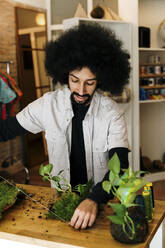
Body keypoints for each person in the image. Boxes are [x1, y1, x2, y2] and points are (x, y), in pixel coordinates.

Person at [0, 23, 130, 229]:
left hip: (101, 201)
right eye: (74, 80)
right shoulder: (47, 105)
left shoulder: (112, 113)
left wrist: (94, 200)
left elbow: (120, 166)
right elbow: (6, 129)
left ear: (101, 81)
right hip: (61, 200)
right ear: (65, 74)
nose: (81, 89)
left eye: (90, 82)